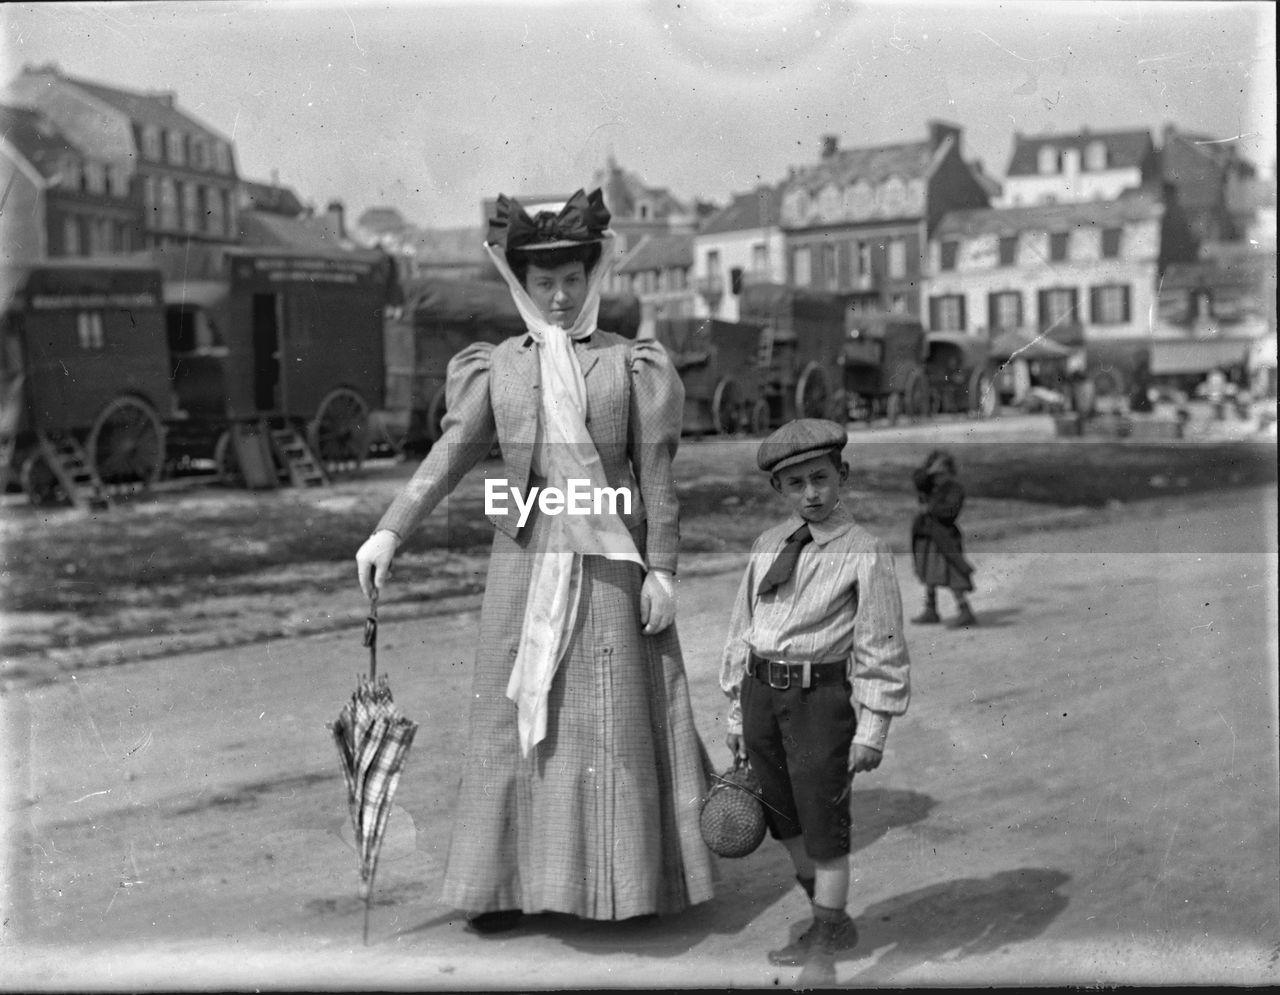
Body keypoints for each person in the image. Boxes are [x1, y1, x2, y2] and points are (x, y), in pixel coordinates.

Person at [354, 188, 714, 932]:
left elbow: (657, 478)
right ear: (519, 280)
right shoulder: (501, 368)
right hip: (523, 560)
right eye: (543, 280)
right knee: (513, 717)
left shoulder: (629, 365)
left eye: (572, 278)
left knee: (606, 722)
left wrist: (666, 570)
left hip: (613, 564)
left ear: (593, 276)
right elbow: (450, 453)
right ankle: (505, 885)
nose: (558, 295)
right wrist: (390, 530)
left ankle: (621, 885)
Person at [718, 418, 911, 967]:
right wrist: (737, 715)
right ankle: (833, 921)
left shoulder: (865, 551)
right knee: (786, 822)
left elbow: (882, 648)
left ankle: (823, 954)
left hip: (817, 704)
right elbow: (742, 627)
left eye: (821, 478)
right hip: (759, 695)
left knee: (824, 827)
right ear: (779, 489)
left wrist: (872, 729)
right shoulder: (767, 544)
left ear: (842, 475)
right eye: (796, 483)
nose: (811, 493)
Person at [910, 448, 977, 628]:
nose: (938, 474)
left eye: (942, 469)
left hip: (944, 537)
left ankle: (965, 610)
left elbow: (950, 512)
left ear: (948, 469)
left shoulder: (954, 488)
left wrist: (929, 510)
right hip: (926, 536)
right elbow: (918, 480)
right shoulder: (929, 483)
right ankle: (931, 609)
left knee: (951, 572)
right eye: (934, 468)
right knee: (928, 571)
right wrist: (930, 472)